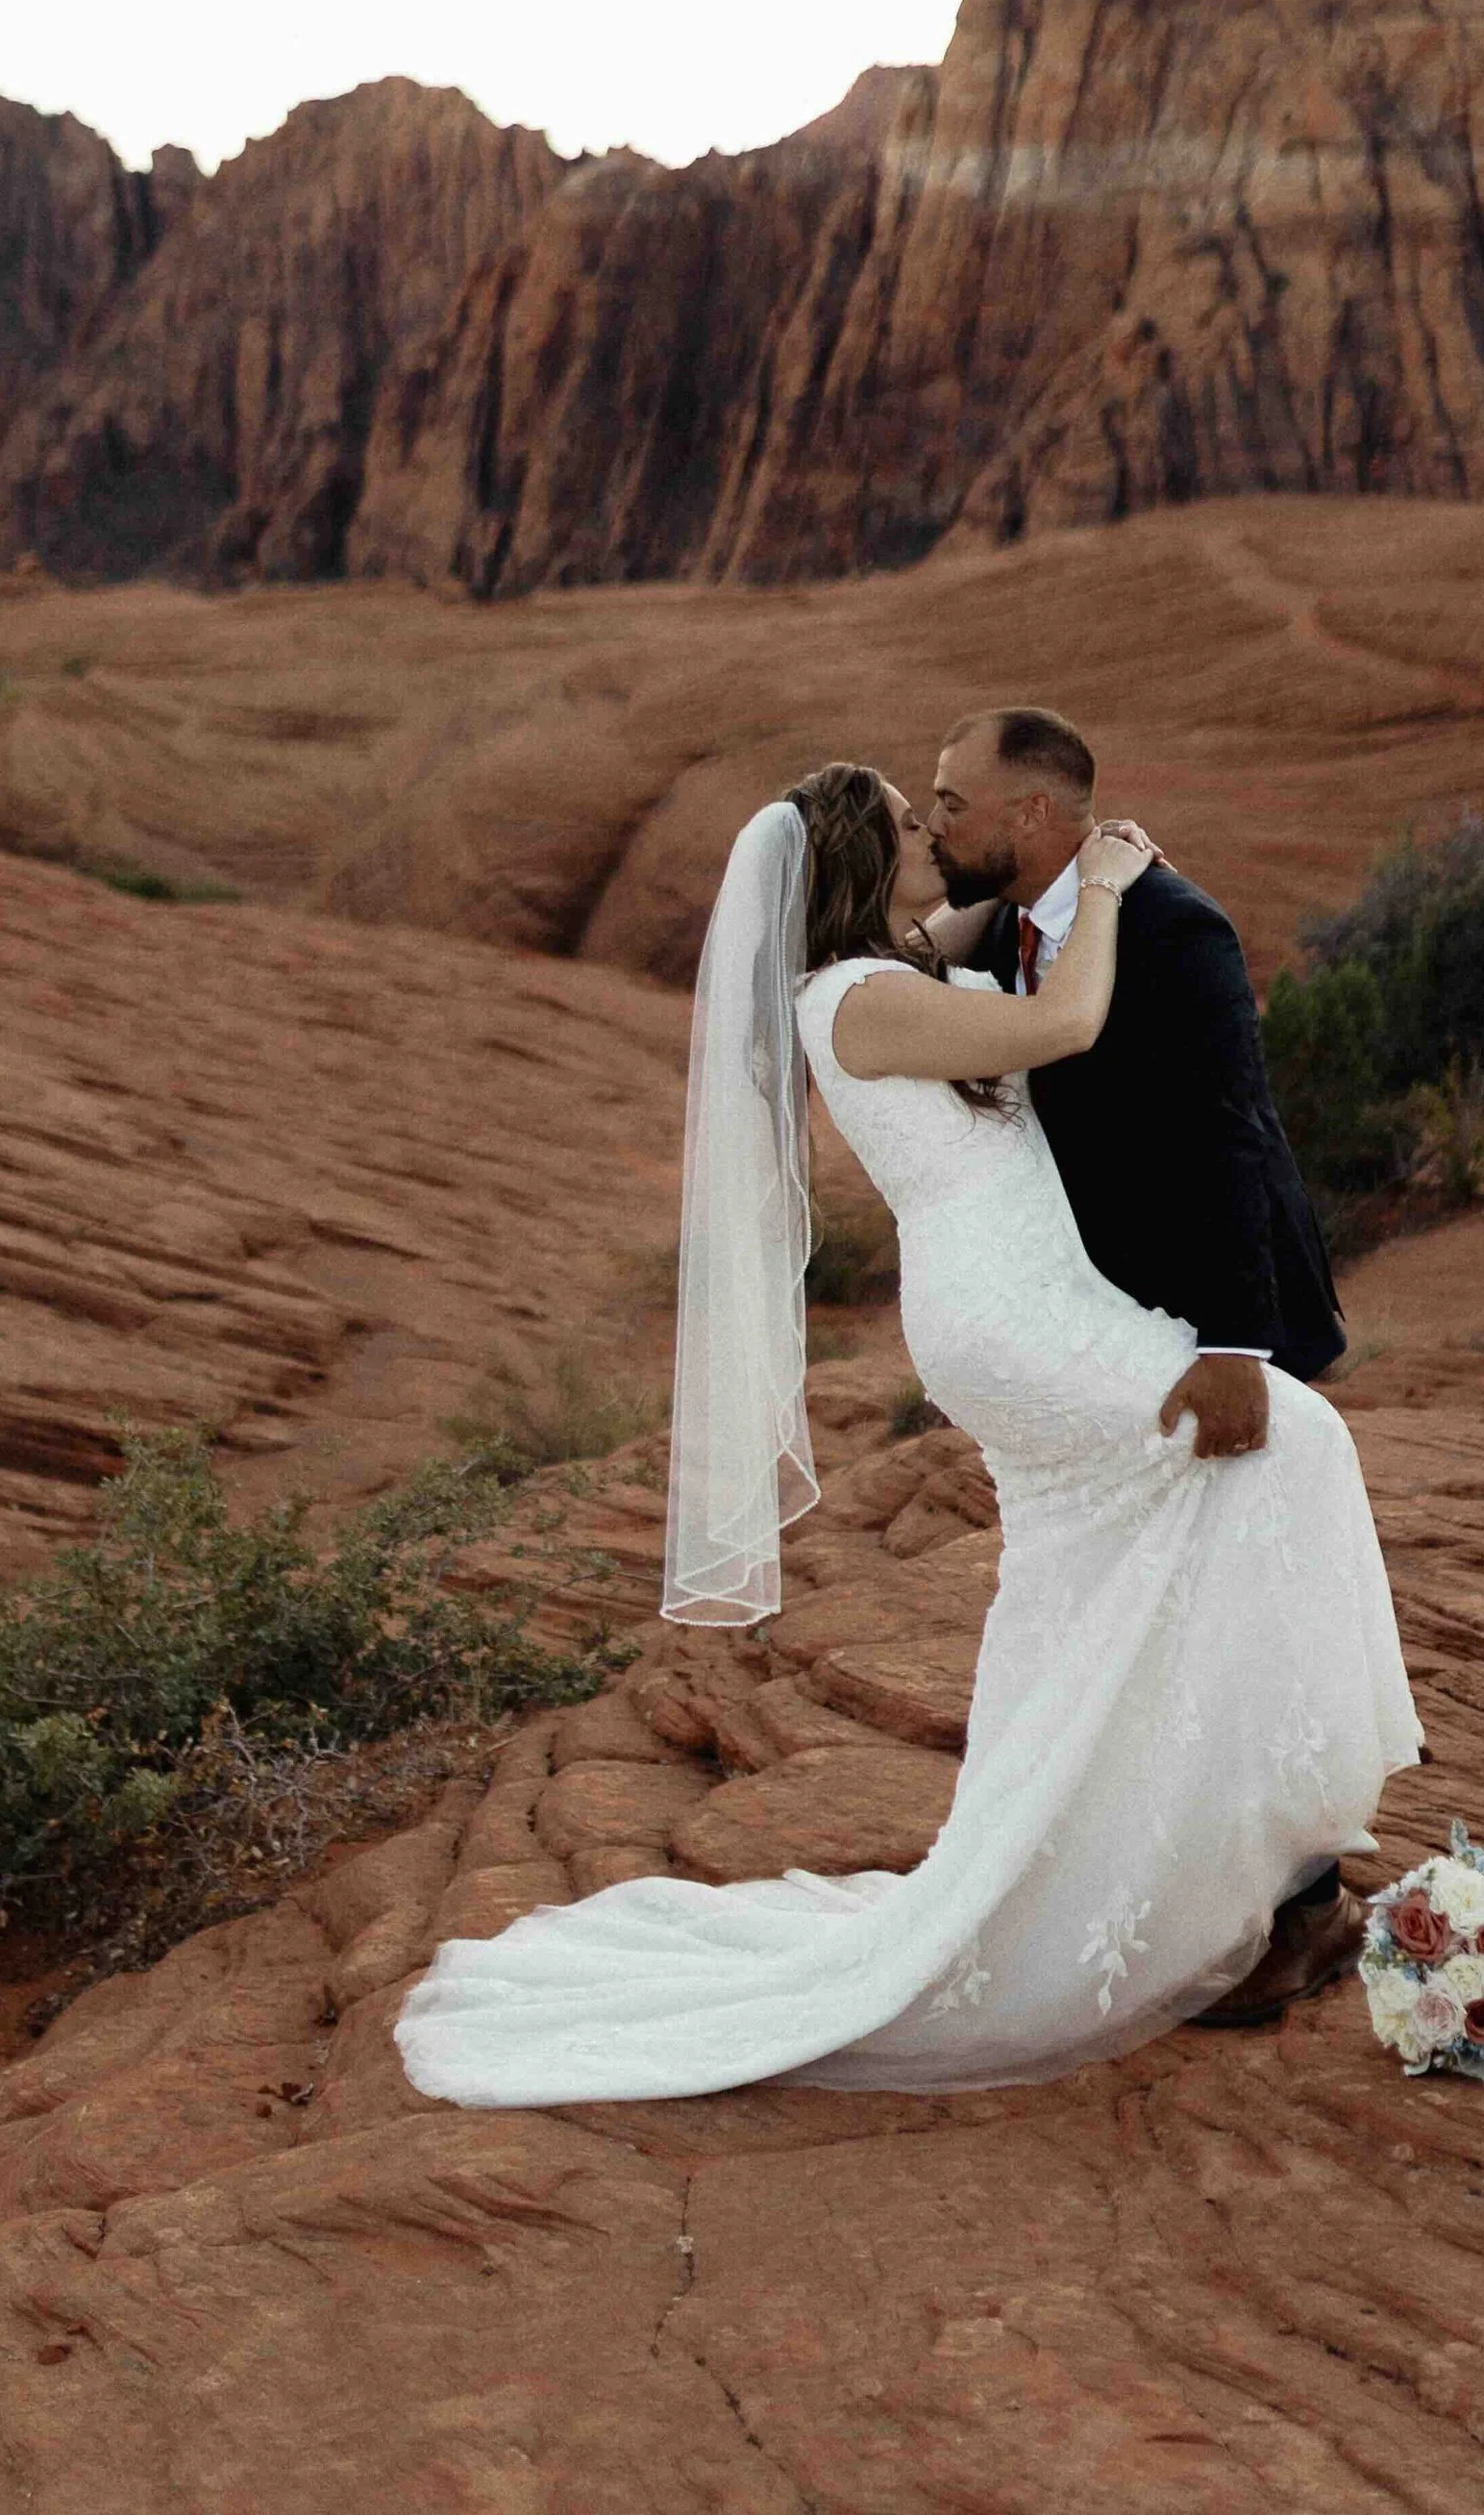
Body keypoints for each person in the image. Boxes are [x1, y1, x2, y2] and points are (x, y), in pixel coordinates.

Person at [393, 759, 1420, 2107]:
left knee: (1088, 1564)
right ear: (856, 861)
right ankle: (1233, 1875)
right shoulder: (861, 1004)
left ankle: (1214, 1872)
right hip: (1009, 1311)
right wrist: (1108, 884)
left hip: (1028, 1290)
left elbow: (983, 937)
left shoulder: (881, 967)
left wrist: (1048, 881)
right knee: (1284, 1450)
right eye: (907, 817)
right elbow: (1063, 1022)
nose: (932, 829)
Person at [931, 703, 1364, 2020]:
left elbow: (1235, 1133)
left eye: (955, 800)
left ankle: (1304, 1907)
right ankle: (1208, 1888)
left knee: (1246, 1611)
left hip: (1208, 1322)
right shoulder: (1004, 932)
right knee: (1161, 1620)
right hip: (1109, 1323)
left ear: (1036, 816)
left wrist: (1235, 1346)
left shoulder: (1178, 927)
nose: (934, 817)